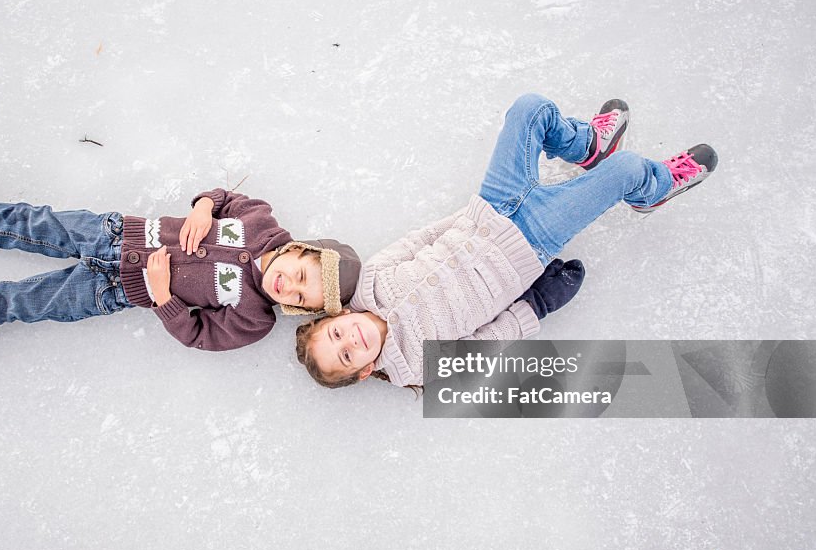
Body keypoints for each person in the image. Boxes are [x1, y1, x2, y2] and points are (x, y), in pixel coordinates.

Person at [295, 93, 719, 390]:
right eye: (348, 357)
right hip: (532, 241)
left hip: (493, 205)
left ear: (335, 317)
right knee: (629, 169)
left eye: (336, 336)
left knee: (530, 109)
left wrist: (473, 213)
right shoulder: (421, 365)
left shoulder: (371, 281)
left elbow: (422, 238)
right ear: (366, 370)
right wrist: (538, 304)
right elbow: (489, 341)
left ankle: (587, 146)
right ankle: (654, 190)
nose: (350, 342)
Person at [0, 143, 360, 386]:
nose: (288, 285)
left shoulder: (254, 319)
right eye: (299, 274)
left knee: (16, 304)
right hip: (117, 233)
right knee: (25, 223)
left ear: (298, 311)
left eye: (299, 297)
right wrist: (205, 206)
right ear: (300, 250)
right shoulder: (261, 220)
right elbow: (223, 196)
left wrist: (163, 298)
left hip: (112, 290)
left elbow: (199, 335)